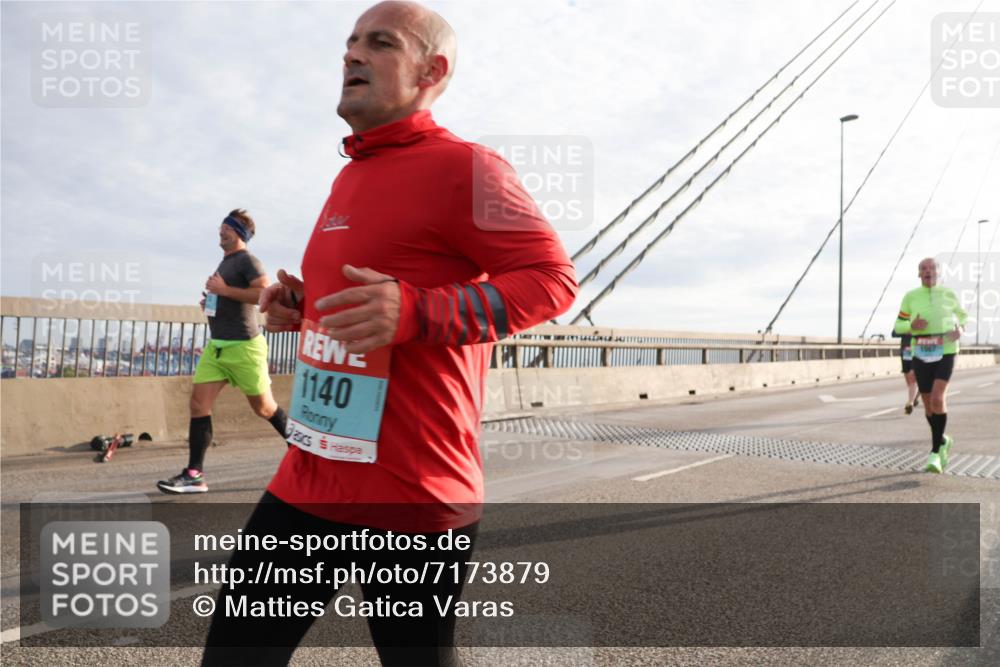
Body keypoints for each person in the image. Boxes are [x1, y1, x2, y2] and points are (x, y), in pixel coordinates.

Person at [200, 2, 577, 666]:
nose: (352, 54)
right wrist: (306, 307)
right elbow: (374, 294)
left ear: (432, 70)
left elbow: (552, 281)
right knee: (234, 654)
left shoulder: (468, 167)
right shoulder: (352, 171)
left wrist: (417, 313)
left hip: (411, 486)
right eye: (349, 42)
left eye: (379, 43)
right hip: (311, 473)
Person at [157, 209, 289, 493]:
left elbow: (263, 293)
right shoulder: (225, 263)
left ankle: (305, 453)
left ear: (240, 233)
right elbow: (228, 296)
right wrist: (211, 304)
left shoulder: (248, 261)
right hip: (217, 347)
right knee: (197, 404)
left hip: (244, 346)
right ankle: (194, 474)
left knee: (265, 408)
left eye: (227, 227)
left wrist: (225, 290)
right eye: (221, 226)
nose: (221, 230)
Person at [893, 257, 967, 473]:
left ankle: (935, 453)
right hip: (921, 351)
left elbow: (963, 317)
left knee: (937, 397)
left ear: (938, 272)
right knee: (927, 405)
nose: (928, 271)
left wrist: (960, 330)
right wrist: (911, 325)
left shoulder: (948, 294)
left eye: (931, 267)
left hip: (945, 350)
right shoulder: (911, 297)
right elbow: (898, 324)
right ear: (919, 274)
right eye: (923, 268)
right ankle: (943, 439)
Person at [893, 331, 920, 414]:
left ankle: (910, 402)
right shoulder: (903, 319)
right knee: (908, 377)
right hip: (906, 351)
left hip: (917, 350)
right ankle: (914, 397)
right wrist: (906, 332)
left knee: (913, 376)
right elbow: (894, 333)